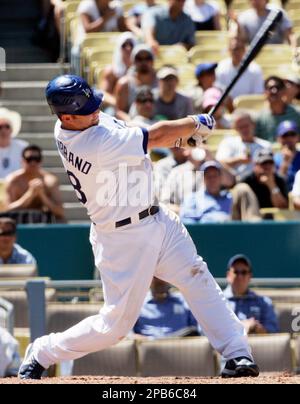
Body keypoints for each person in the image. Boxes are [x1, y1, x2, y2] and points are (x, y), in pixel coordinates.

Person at [19, 74, 259, 379]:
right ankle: (44, 350)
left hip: (158, 219)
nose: (96, 111)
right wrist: (194, 123)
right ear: (67, 116)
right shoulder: (92, 142)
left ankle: (237, 352)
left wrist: (185, 137)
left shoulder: (80, 121)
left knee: (197, 277)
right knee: (114, 327)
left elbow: (141, 139)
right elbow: (154, 136)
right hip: (122, 237)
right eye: (87, 109)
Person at [180, 160, 261, 223]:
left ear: (221, 178)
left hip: (231, 234)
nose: (212, 180)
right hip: (206, 235)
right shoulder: (193, 199)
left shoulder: (230, 197)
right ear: (203, 179)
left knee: (243, 188)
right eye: (208, 176)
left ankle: (256, 232)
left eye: (215, 176)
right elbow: (187, 223)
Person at [4, 145, 65, 224]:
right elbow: (6, 210)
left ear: (41, 161)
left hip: (42, 221)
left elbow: (60, 212)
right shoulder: (13, 181)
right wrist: (30, 194)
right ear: (22, 161)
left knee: (61, 220)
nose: (33, 163)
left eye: (37, 159)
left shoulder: (50, 181)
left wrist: (42, 195)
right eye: (29, 159)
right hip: (18, 221)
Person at [224, 254, 279, 334]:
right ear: (228, 275)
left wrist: (255, 327)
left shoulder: (264, 303)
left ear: (250, 276)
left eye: (244, 272)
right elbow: (204, 331)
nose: (240, 276)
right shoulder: (217, 302)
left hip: (256, 346)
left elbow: (274, 332)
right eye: (236, 272)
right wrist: (241, 326)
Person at [132, 277, 199, 339]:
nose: (160, 281)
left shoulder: (184, 301)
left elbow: (197, 329)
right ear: (148, 280)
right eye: (155, 278)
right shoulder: (138, 303)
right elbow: (128, 334)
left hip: (181, 346)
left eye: (163, 278)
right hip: (148, 347)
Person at [216, 109, 271, 181]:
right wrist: (238, 160)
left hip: (261, 184)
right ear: (235, 128)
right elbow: (219, 164)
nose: (244, 129)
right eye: (240, 127)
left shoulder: (266, 145)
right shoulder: (228, 143)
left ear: (253, 125)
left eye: (246, 126)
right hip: (236, 184)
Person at [215, 37, 264, 110]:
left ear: (245, 50)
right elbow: (218, 91)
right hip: (226, 111)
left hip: (250, 111)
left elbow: (257, 96)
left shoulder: (255, 69)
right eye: (234, 49)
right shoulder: (221, 67)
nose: (236, 52)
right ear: (229, 50)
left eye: (239, 49)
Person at [115, 45, 158, 121]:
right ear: (133, 61)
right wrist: (133, 124)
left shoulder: (161, 81)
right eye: (139, 59)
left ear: (153, 61)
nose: (144, 62)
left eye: (147, 58)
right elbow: (119, 112)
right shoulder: (125, 84)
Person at [98, 32, 137, 109]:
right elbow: (102, 94)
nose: (128, 48)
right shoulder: (111, 71)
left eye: (131, 45)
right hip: (114, 108)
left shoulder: (140, 70)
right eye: (124, 45)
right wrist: (118, 102)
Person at [255, 76, 300, 142]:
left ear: (284, 91)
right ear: (264, 92)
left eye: (277, 88)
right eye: (270, 88)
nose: (274, 91)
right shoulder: (259, 117)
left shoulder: (297, 113)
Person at [0, 108, 28, 180]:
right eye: (0, 127)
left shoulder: (23, 147)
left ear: (12, 129)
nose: (3, 130)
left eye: (7, 126)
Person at [274, 120, 300, 192]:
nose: (289, 138)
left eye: (292, 134)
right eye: (285, 135)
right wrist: (285, 163)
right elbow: (276, 184)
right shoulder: (274, 159)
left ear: (298, 137)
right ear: (278, 138)